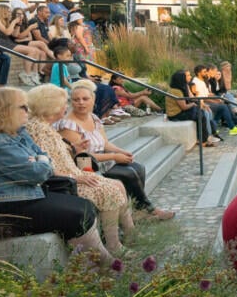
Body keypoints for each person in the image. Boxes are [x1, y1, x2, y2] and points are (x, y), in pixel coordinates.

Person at [0, 87, 109, 262]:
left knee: (84, 206)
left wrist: (39, 161)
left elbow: (44, 161)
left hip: (23, 196)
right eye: (23, 107)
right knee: (78, 213)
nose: (28, 111)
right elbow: (37, 173)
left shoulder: (18, 134)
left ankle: (93, 263)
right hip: (1, 207)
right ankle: (103, 263)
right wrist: (40, 162)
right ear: (4, 111)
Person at [25, 84, 134, 253]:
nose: (66, 107)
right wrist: (76, 177)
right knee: (110, 190)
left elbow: (55, 153)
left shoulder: (44, 127)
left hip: (72, 174)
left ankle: (128, 233)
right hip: (63, 181)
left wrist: (74, 147)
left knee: (117, 184)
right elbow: (46, 165)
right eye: (64, 103)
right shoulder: (40, 130)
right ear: (50, 107)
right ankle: (114, 245)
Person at [55, 79, 175, 221]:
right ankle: (149, 209)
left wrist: (121, 151)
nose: (81, 102)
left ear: (93, 100)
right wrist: (114, 157)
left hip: (102, 158)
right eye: (76, 100)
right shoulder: (68, 125)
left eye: (85, 99)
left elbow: (105, 143)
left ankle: (135, 209)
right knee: (129, 173)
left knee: (138, 167)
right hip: (86, 165)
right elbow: (82, 156)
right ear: (71, 102)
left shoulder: (93, 118)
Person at [0, 4, 50, 86]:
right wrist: (14, 22)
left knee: (36, 51)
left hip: (4, 41)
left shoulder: (5, 21)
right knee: (32, 50)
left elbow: (14, 34)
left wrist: (18, 24)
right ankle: (26, 74)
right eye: (8, 11)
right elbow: (7, 32)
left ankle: (33, 74)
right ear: (3, 11)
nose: (10, 13)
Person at [166, 70, 218, 146]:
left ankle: (205, 137)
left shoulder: (182, 87)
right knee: (201, 116)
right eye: (186, 76)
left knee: (201, 112)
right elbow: (184, 107)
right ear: (181, 79)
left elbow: (191, 98)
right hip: (176, 115)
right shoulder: (176, 91)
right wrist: (193, 104)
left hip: (181, 111)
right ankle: (203, 140)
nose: (190, 77)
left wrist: (201, 104)